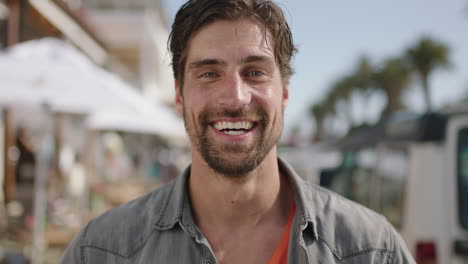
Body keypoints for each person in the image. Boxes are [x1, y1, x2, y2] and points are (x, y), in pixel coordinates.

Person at [61, 0, 415, 263]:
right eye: (209, 73)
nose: (234, 97)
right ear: (179, 96)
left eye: (255, 72)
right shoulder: (103, 251)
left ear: (285, 93)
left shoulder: (371, 250)